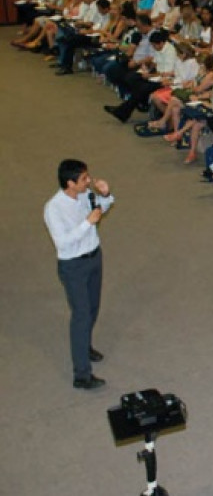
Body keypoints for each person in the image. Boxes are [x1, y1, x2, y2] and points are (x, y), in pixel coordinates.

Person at [44, 159, 114, 390]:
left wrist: (105, 195)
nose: (88, 181)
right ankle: (82, 375)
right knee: (81, 316)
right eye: (84, 179)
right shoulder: (53, 209)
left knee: (93, 307)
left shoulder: (83, 196)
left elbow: (100, 208)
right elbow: (63, 243)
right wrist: (87, 223)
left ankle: (85, 346)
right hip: (73, 266)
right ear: (70, 183)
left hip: (94, 258)